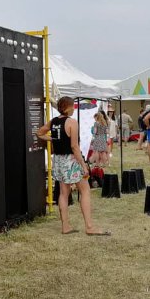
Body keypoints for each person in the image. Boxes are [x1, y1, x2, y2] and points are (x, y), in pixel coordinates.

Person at [36, 97, 106, 235]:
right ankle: (89, 227)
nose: (74, 109)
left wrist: (53, 139)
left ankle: (65, 226)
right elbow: (74, 146)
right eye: (73, 106)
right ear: (68, 107)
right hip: (71, 160)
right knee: (85, 191)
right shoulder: (72, 122)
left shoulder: (53, 121)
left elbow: (39, 133)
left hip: (58, 160)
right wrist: (84, 166)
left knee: (63, 193)